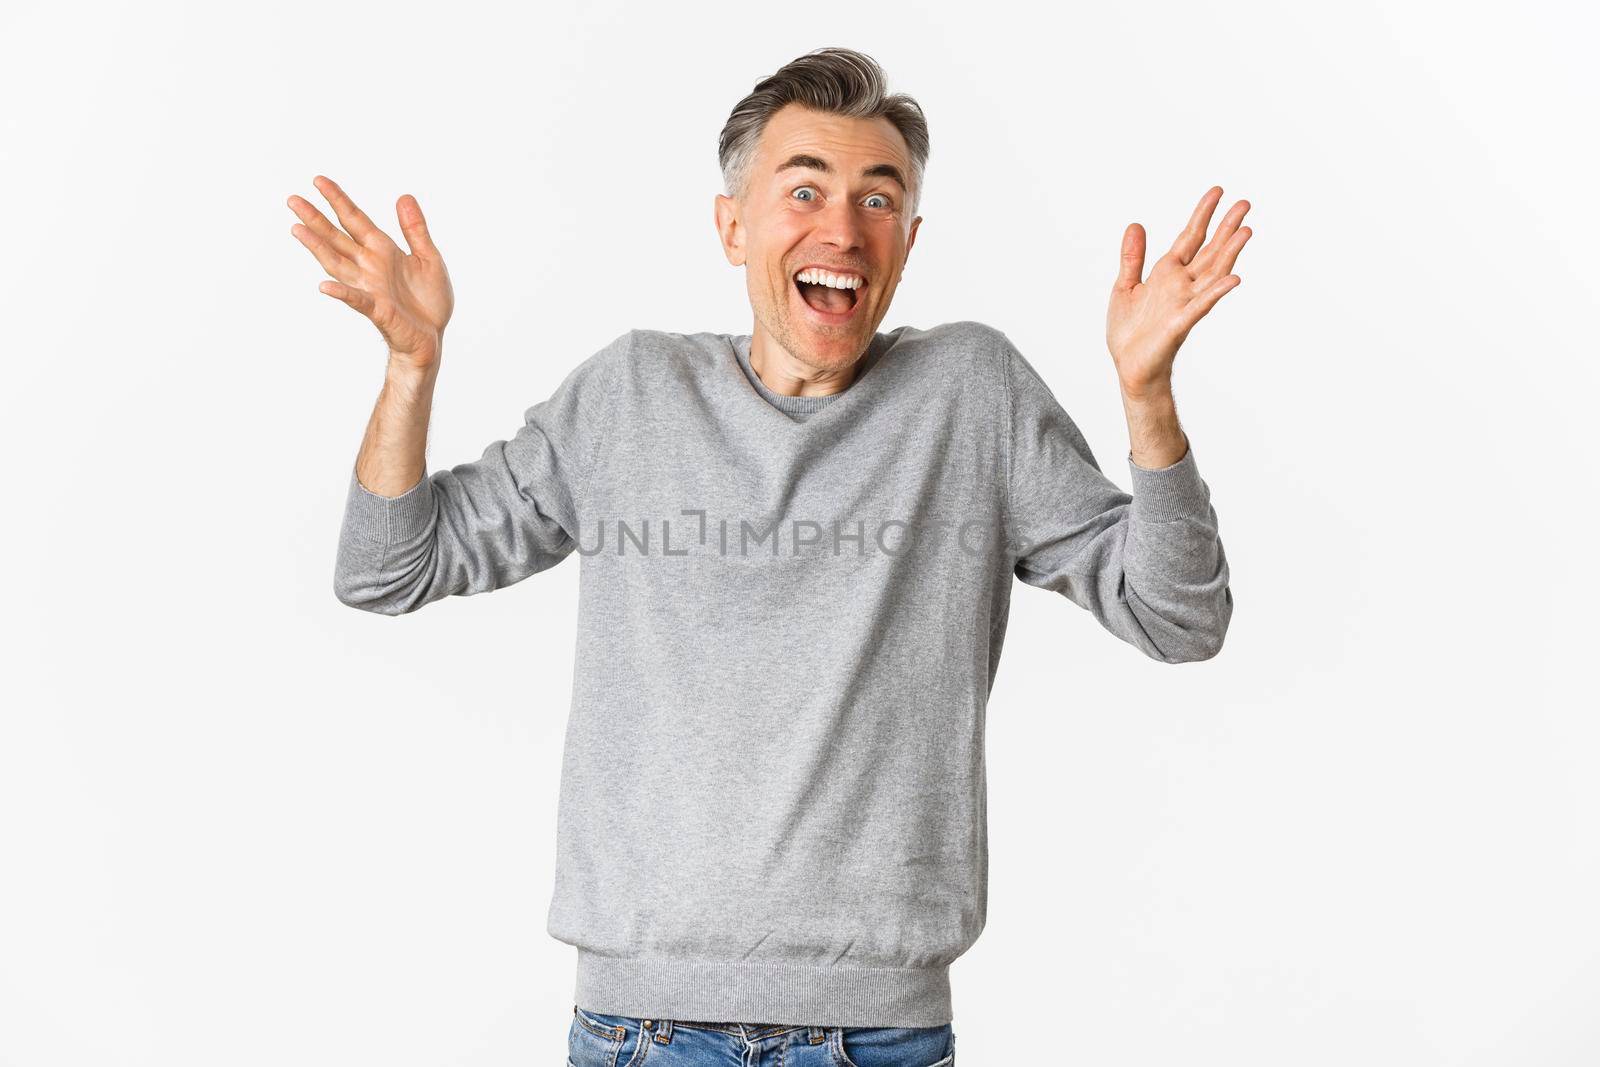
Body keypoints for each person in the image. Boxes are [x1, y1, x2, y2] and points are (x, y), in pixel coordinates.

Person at [291, 45, 1246, 1067]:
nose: (841, 227)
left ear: (908, 240)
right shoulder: (629, 397)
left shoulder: (972, 394)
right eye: (804, 188)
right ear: (731, 225)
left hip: (882, 1030)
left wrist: (1148, 398)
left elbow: (1177, 615)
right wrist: (410, 367)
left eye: (879, 201)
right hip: (639, 1030)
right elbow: (388, 567)